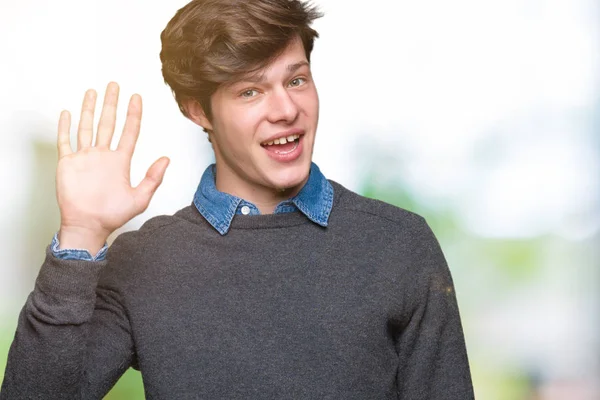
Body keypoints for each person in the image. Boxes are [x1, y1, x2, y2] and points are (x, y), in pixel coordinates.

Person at [1, 0, 474, 398]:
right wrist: (81, 236)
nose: (286, 110)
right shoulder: (145, 263)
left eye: (295, 80)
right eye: (250, 91)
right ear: (197, 110)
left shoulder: (398, 245)